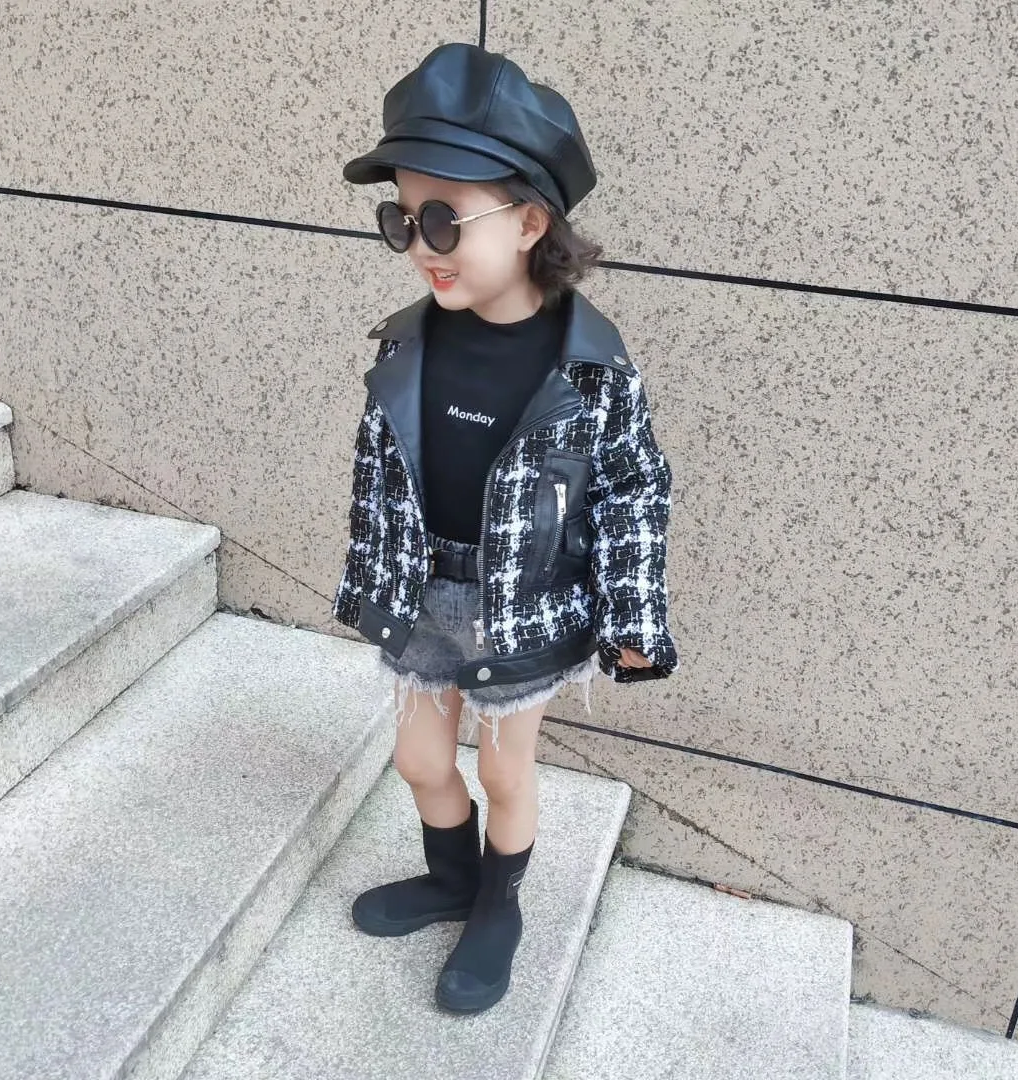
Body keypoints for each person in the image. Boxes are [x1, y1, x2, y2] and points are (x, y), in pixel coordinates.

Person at [332, 42, 678, 1015]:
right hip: (424, 595)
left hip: (524, 603)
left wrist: (634, 616)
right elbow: (380, 481)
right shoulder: (405, 343)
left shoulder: (591, 367)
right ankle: (450, 878)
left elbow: (634, 488)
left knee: (502, 764)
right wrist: (371, 581)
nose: (422, 243)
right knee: (419, 759)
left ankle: (499, 903)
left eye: (445, 218)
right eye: (403, 218)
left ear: (530, 222)